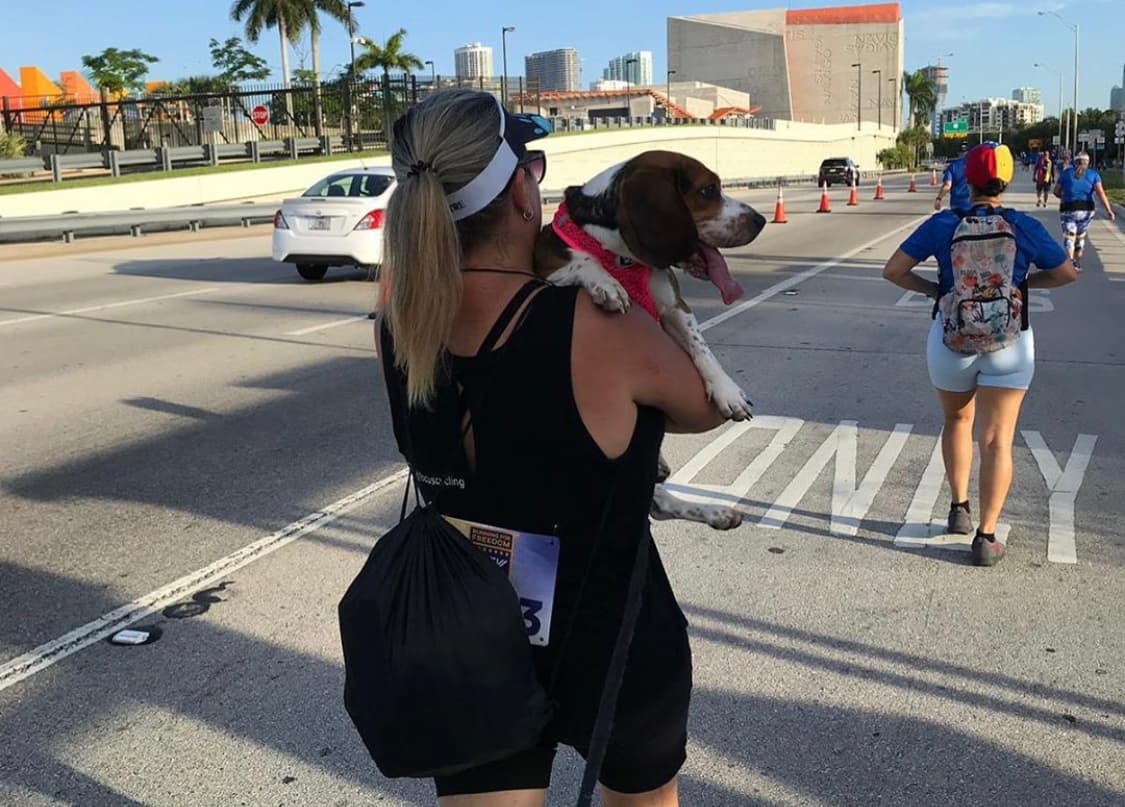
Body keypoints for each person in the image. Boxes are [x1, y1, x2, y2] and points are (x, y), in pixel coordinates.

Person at [377, 88, 729, 806]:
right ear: (520, 192)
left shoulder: (399, 321)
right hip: (610, 627)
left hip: (465, 622)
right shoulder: (601, 325)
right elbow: (702, 407)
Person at [882, 143, 1078, 567]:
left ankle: (958, 509)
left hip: (951, 339)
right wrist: (1020, 288)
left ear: (966, 180)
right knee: (997, 439)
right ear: (1005, 181)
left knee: (956, 420)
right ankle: (987, 538)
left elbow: (893, 270)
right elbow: (1067, 273)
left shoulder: (943, 224)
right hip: (1010, 343)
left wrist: (938, 291)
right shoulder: (1023, 225)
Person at [1053, 151, 1117, 270]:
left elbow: (1056, 191)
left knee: (1069, 235)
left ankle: (1070, 261)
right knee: (1080, 236)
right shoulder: (1094, 175)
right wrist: (1109, 210)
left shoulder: (1066, 173)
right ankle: (1077, 261)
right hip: (1087, 209)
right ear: (1088, 162)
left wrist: (1065, 196)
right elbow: (1101, 193)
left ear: (1075, 161)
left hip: (1068, 208)